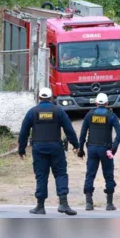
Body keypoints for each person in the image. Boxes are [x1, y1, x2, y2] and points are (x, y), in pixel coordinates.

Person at [18, 87, 79, 216]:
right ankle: (63, 204)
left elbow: (23, 132)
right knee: (61, 174)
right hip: (56, 148)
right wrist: (76, 145)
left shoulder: (32, 112)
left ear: (39, 98)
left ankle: (40, 206)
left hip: (39, 149)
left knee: (41, 176)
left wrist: (21, 149)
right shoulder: (58, 111)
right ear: (51, 98)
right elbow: (69, 129)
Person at [76, 93, 120, 211]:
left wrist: (80, 149)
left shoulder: (90, 114)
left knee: (90, 174)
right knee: (108, 175)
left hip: (92, 149)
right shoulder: (111, 116)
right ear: (107, 103)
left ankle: (88, 203)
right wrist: (114, 147)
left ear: (96, 103)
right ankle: (109, 204)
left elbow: (82, 133)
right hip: (106, 150)